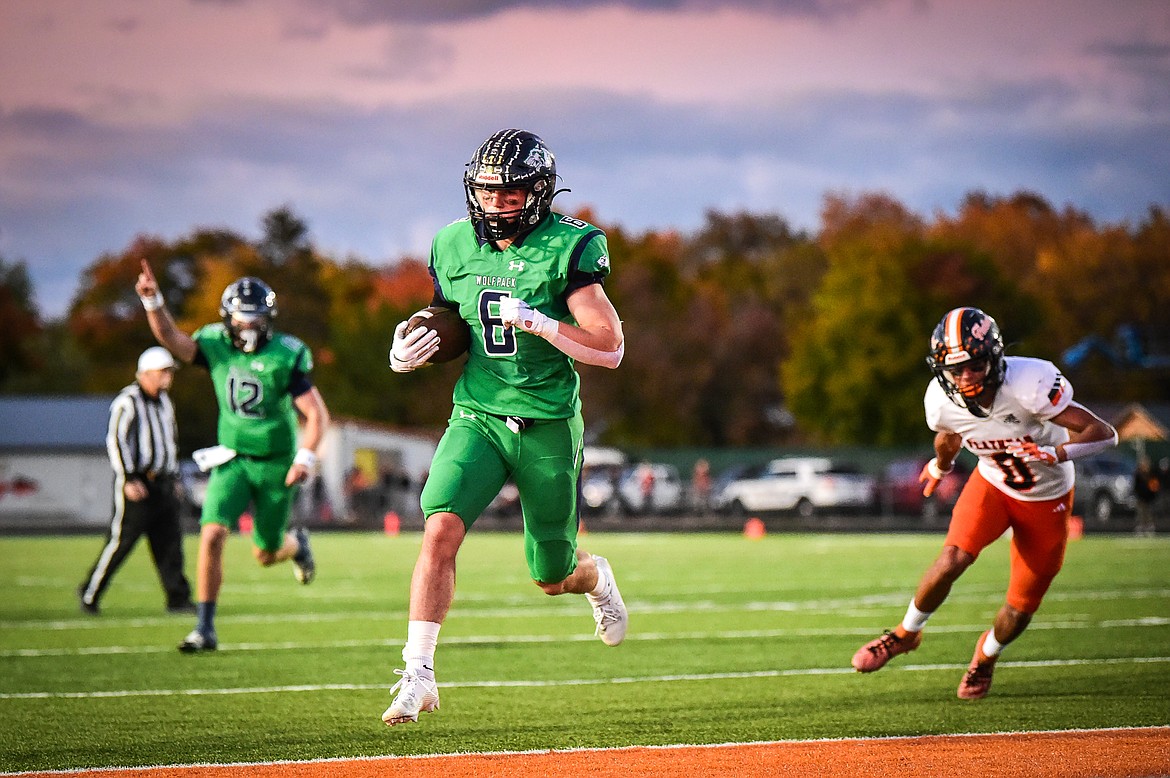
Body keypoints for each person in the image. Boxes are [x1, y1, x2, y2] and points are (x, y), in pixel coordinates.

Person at [382, 128, 628, 726]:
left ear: (539, 193)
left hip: (546, 421)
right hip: (479, 414)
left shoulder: (570, 246)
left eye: (511, 194)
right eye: (488, 192)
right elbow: (453, 317)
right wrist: (416, 338)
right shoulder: (451, 243)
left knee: (551, 574)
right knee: (439, 525)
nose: (497, 205)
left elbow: (611, 347)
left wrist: (543, 325)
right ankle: (418, 674)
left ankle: (595, 577)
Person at [851, 307, 1118, 699]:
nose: (964, 377)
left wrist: (1057, 453)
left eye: (973, 366)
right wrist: (940, 468)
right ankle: (905, 634)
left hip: (1047, 498)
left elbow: (1105, 433)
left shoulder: (1031, 382)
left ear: (993, 357)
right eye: (954, 370)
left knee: (1020, 607)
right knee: (951, 559)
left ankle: (986, 656)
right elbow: (949, 435)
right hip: (992, 486)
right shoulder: (941, 399)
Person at [135, 262, 331, 652]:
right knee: (211, 535)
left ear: (268, 319)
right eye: (242, 317)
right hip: (233, 459)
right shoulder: (215, 346)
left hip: (276, 462)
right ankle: (204, 628)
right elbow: (171, 337)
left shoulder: (285, 355)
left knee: (265, 552)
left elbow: (316, 415)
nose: (249, 326)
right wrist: (153, 301)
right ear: (228, 319)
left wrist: (305, 457)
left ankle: (297, 546)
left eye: (257, 318)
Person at [79, 347, 194, 615]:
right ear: (145, 374)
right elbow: (116, 440)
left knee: (170, 544)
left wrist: (174, 475)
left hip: (163, 483)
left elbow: (169, 442)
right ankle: (90, 592)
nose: (168, 377)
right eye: (163, 372)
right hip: (139, 484)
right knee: (121, 542)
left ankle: (177, 598)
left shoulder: (165, 401)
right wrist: (128, 477)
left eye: (169, 372)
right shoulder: (127, 401)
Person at [1133, 456, 1159, 537]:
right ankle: (1141, 528)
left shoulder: (1151, 474)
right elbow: (1136, 486)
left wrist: (1152, 494)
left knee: (1149, 513)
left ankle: (1149, 528)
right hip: (1141, 497)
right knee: (1141, 513)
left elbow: (1155, 486)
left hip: (1149, 497)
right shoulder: (1138, 474)